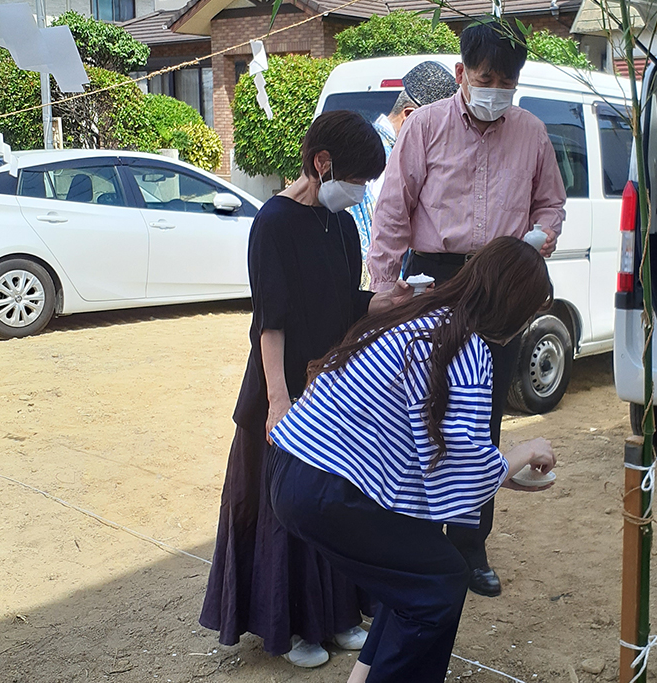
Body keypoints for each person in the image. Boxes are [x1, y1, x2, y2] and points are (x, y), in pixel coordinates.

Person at [268, 236, 558, 683]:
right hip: (326, 484)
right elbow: (462, 458)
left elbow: (445, 454)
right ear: (512, 307)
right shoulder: (462, 345)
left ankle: (362, 676)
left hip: (299, 468)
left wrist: (505, 472)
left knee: (416, 577)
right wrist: (524, 452)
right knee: (437, 585)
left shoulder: (426, 318)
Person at [200, 110, 414, 668]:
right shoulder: (272, 222)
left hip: (331, 390)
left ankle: (339, 615)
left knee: (333, 503)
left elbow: (345, 303)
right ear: (322, 163)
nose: (360, 192)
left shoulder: (341, 225)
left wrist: (381, 302)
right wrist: (278, 403)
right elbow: (270, 321)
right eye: (358, 180)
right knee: (285, 509)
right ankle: (293, 627)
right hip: (282, 391)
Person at [366, 20, 568, 597]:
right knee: (418, 411)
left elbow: (551, 206)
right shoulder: (425, 127)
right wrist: (384, 286)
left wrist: (538, 240)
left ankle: (471, 545)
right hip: (435, 278)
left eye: (505, 82)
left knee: (483, 415)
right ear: (461, 74)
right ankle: (415, 540)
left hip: (500, 283)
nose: (494, 90)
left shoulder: (531, 133)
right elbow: (392, 212)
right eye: (485, 78)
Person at [348, 61, 459, 269]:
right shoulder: (379, 152)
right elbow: (387, 228)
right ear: (409, 115)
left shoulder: (386, 147)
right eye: (436, 127)